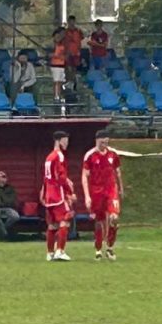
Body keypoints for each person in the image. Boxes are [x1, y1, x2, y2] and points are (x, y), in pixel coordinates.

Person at [82, 130, 124, 260]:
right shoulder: (90, 155)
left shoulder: (113, 154)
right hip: (96, 192)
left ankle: (110, 248)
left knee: (114, 218)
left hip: (111, 190)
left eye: (106, 142)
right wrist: (87, 196)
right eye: (102, 142)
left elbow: (118, 172)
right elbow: (84, 175)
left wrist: (121, 188)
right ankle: (98, 248)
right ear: (97, 141)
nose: (104, 144)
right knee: (99, 221)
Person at [42, 130, 75, 261]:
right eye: (65, 140)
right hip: (58, 194)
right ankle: (60, 251)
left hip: (49, 195)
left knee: (52, 224)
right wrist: (69, 192)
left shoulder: (49, 157)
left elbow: (46, 177)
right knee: (65, 220)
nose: (67, 143)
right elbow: (61, 176)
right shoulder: (59, 155)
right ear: (59, 141)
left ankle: (50, 253)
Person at [0, 171, 21, 241]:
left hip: (8, 208)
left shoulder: (10, 188)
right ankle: (4, 232)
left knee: (16, 216)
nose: (3, 179)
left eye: (4, 177)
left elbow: (11, 200)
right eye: (1, 177)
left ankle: (2, 230)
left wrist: (2, 199)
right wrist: (3, 201)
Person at [48, 29, 68, 102]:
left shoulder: (63, 45)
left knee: (60, 81)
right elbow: (49, 55)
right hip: (55, 65)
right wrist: (57, 55)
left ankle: (59, 94)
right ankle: (56, 96)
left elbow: (66, 55)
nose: (57, 38)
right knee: (56, 81)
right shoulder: (51, 45)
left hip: (62, 65)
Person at [63, 15, 84, 79]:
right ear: (68, 22)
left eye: (73, 22)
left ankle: (74, 82)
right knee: (68, 68)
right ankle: (68, 82)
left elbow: (82, 38)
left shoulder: (79, 31)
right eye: (70, 22)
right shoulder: (65, 32)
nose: (72, 23)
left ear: (75, 22)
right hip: (67, 53)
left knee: (74, 68)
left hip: (76, 53)